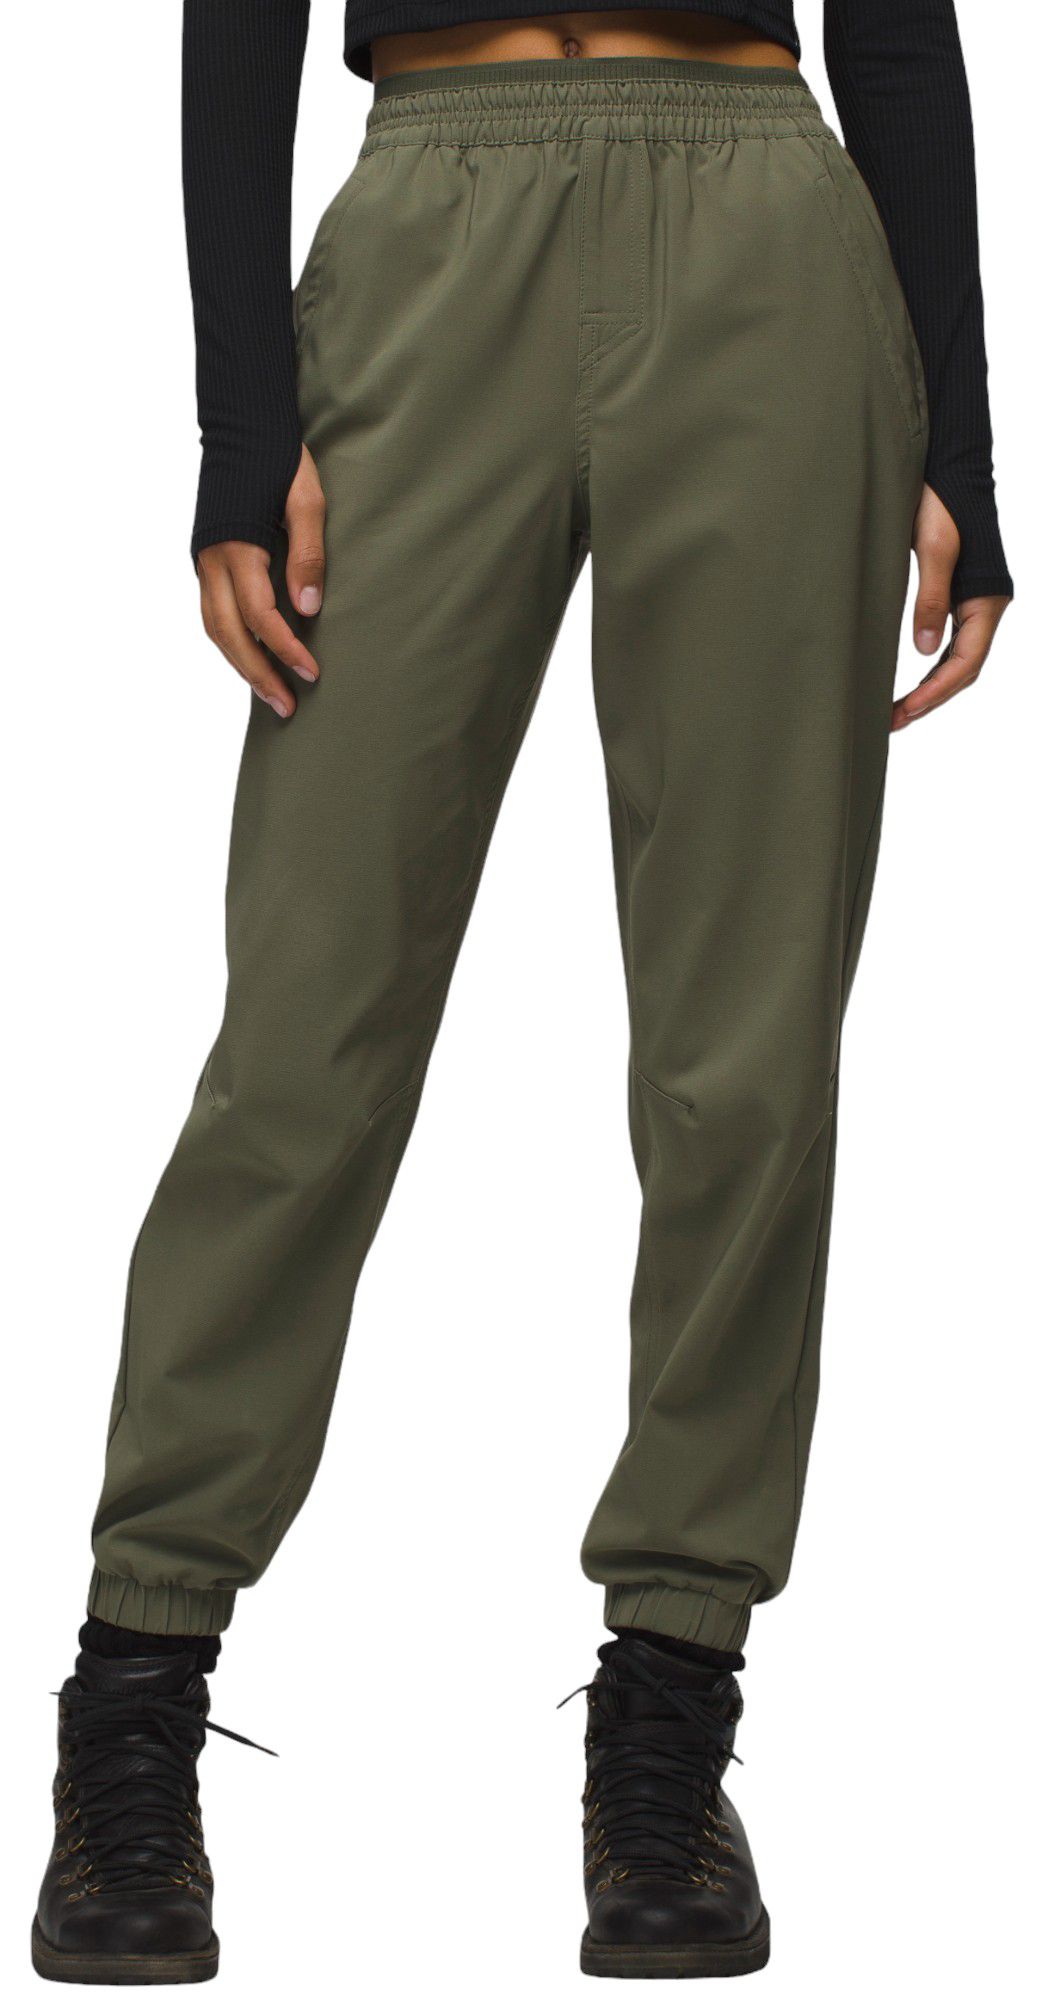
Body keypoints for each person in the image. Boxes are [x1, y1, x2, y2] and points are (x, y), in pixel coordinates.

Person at [33, 1, 1010, 1985]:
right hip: (431, 223)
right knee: (307, 1031)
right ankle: (134, 1687)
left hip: (764, 238)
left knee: (746, 1053)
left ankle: (672, 1709)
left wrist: (964, 443)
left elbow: (899, 27)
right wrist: (242, 430)